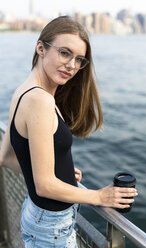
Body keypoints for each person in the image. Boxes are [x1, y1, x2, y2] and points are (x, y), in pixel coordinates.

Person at [0, 16, 138, 248]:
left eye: (79, 59)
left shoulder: (24, 91)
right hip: (51, 226)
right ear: (41, 48)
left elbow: (5, 157)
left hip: (38, 215)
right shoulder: (40, 100)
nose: (72, 66)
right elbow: (44, 185)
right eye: (65, 53)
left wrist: (57, 172)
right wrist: (99, 196)